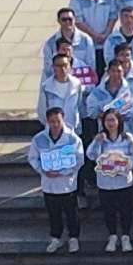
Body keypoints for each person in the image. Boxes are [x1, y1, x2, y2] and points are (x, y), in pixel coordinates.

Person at [27, 106, 84, 256]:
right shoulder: (39, 139)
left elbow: (79, 160)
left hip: (67, 184)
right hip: (49, 184)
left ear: (63, 119)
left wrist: (63, 172)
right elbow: (33, 158)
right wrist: (43, 170)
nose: (55, 124)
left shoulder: (72, 139)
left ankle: (73, 238)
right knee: (54, 213)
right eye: (52, 121)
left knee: (71, 213)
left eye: (58, 121)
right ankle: (56, 238)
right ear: (47, 121)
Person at [87, 109, 133, 254]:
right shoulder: (100, 138)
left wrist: (125, 164)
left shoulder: (128, 138)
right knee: (109, 211)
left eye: (113, 120)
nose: (110, 123)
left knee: (126, 211)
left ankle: (125, 237)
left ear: (119, 122)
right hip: (105, 183)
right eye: (107, 120)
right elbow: (91, 155)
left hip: (124, 182)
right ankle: (112, 236)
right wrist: (97, 142)